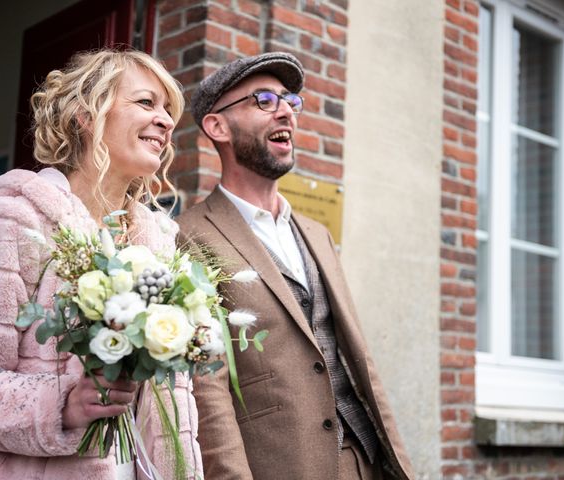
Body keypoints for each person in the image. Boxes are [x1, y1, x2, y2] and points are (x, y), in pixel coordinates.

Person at [0, 49, 202, 479]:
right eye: (146, 103)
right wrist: (64, 405)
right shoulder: (18, 218)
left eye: (167, 110)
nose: (165, 120)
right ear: (87, 115)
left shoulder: (160, 245)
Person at [176, 52, 415, 480]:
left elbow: (355, 358)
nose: (285, 110)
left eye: (289, 100)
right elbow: (206, 387)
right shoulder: (187, 236)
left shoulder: (316, 232)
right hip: (282, 465)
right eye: (263, 100)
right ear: (218, 126)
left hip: (364, 460)